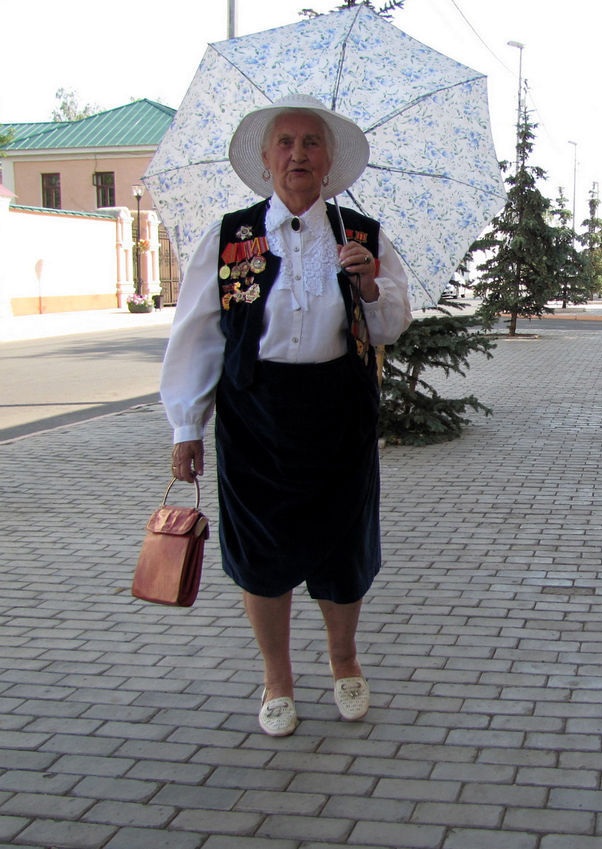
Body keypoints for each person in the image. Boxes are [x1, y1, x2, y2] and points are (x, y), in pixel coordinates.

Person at [160, 94, 412, 737]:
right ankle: (277, 681)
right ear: (266, 158)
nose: (297, 153)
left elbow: (389, 328)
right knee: (262, 553)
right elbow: (197, 335)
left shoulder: (364, 237)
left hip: (339, 416)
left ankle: (345, 661)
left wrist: (368, 285)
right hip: (255, 419)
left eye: (310, 143)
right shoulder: (228, 238)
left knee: (343, 548)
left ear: (329, 162)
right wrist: (186, 425)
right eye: (285, 142)